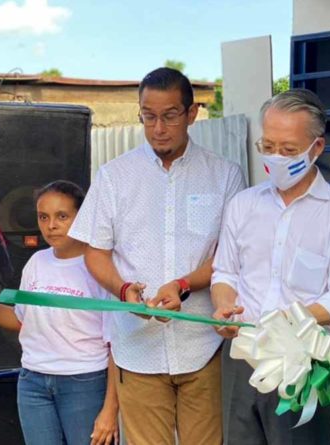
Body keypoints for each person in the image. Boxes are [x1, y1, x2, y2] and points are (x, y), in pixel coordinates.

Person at [69, 67, 245, 444]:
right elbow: (95, 254)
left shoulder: (225, 175)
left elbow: (228, 256)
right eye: (148, 117)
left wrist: (183, 285)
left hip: (203, 344)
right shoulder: (114, 176)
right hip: (137, 346)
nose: (158, 128)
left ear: (191, 113)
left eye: (169, 116)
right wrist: (123, 289)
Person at [211, 88, 330, 445]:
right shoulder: (242, 205)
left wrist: (285, 321)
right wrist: (223, 306)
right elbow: (225, 273)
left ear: (318, 147)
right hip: (241, 356)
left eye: (289, 150)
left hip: (304, 362)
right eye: (268, 146)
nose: (277, 158)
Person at [0, 180, 118, 445]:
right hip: (32, 382)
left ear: (83, 217)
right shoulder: (36, 263)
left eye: (62, 216)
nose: (51, 225)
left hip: (84, 383)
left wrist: (110, 410)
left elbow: (116, 345)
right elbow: (20, 320)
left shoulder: (100, 267)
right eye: (43, 217)